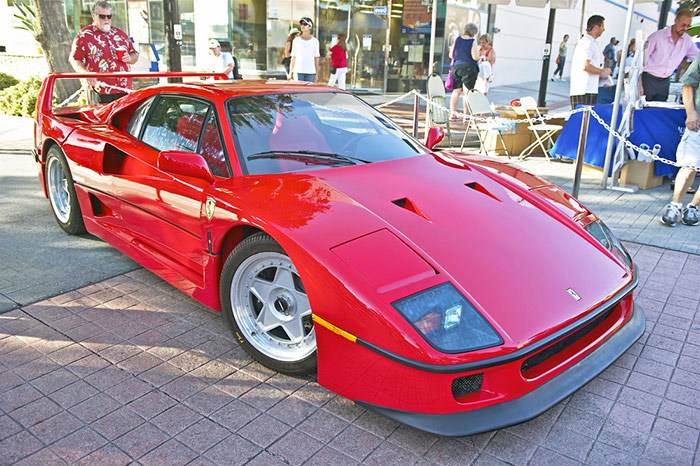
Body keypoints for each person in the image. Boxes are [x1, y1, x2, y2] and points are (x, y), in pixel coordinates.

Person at [69, 0, 139, 104]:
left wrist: (129, 58)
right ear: (94, 16)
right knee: (101, 120)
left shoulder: (120, 34)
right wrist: (86, 74)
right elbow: (75, 59)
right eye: (102, 16)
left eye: (109, 16)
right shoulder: (84, 35)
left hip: (124, 89)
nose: (106, 19)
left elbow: (135, 54)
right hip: (100, 89)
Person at [660, 54, 700, 227]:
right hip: (698, 122)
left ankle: (694, 207)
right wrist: (691, 112)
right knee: (689, 166)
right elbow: (688, 84)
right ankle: (675, 205)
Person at [642, 9, 697, 102]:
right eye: (683, 25)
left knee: (660, 111)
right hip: (648, 79)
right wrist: (639, 83)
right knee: (643, 110)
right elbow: (641, 60)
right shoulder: (658, 36)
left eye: (688, 26)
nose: (685, 28)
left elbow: (697, 57)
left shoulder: (687, 41)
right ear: (676, 21)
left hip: (665, 81)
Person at [569, 15, 612, 109]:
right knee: (581, 120)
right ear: (596, 27)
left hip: (589, 88)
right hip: (583, 90)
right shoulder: (587, 42)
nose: (604, 29)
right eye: (602, 26)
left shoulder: (592, 43)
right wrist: (602, 71)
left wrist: (601, 78)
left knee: (587, 120)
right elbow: (585, 65)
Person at [448, 23, 480, 120]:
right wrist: (479, 57)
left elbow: (450, 54)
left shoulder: (457, 39)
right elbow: (475, 56)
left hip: (456, 67)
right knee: (467, 92)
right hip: (469, 68)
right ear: (474, 32)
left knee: (456, 91)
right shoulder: (472, 41)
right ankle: (466, 115)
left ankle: (452, 114)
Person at [289, 17, 320, 82]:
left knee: (309, 91)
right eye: (301, 24)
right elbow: (293, 57)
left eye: (305, 24)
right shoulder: (296, 40)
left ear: (310, 26)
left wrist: (317, 74)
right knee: (298, 91)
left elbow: (316, 58)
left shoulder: (315, 41)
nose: (302, 26)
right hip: (298, 71)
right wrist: (290, 72)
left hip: (311, 72)